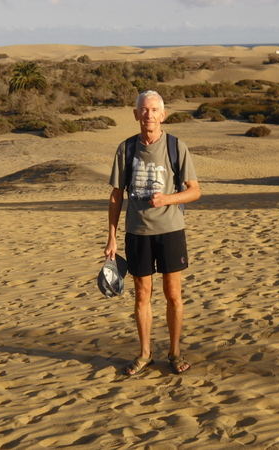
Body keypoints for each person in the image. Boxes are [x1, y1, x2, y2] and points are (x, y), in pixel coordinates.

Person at [105, 90, 201, 376]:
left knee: (173, 294)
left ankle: (174, 352)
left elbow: (195, 191)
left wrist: (167, 199)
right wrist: (111, 237)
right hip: (137, 232)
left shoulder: (175, 147)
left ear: (163, 114)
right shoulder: (126, 149)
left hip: (171, 231)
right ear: (136, 114)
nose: (149, 115)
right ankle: (145, 353)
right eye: (143, 110)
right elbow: (115, 196)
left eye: (154, 110)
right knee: (141, 295)